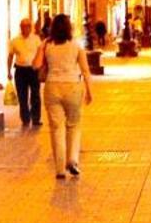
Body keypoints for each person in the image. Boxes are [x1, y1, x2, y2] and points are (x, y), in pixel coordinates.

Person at [39, 13, 95, 180]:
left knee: (57, 128)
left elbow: (38, 65)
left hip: (52, 86)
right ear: (69, 28)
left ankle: (60, 170)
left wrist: (42, 49)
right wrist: (90, 91)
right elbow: (85, 70)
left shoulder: (47, 45)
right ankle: (73, 160)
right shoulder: (76, 46)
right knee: (74, 125)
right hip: (72, 87)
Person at [7, 17, 44, 129]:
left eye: (28, 26)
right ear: (21, 27)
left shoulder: (36, 39)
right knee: (22, 96)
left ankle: (36, 118)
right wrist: (8, 71)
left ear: (31, 28)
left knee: (35, 95)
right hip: (20, 70)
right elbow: (10, 56)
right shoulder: (15, 40)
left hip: (33, 70)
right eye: (23, 26)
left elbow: (41, 54)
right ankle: (25, 118)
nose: (26, 29)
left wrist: (41, 68)